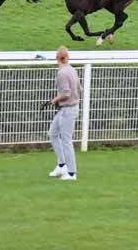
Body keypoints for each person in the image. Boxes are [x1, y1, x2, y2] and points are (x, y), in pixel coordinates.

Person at [47, 45, 81, 181]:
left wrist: (53, 100)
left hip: (68, 109)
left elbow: (66, 93)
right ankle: (62, 165)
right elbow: (78, 87)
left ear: (57, 58)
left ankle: (71, 173)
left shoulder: (62, 73)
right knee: (53, 133)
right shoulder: (72, 69)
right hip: (67, 108)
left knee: (66, 140)